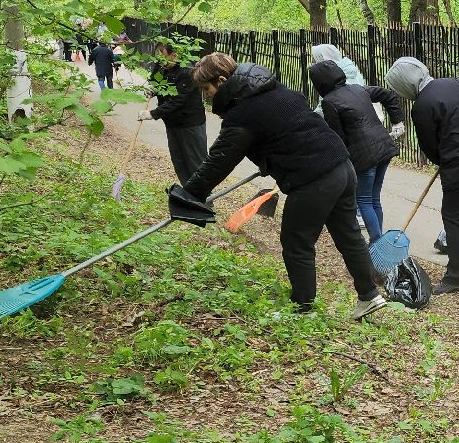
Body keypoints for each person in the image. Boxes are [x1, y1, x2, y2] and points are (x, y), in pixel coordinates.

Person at [177, 53, 384, 318]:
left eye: (207, 88)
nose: (206, 96)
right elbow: (287, 129)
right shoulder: (275, 89)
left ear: (221, 81)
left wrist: (189, 193)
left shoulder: (243, 113)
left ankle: (302, 308)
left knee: (296, 242)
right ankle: (369, 295)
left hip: (314, 178)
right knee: (349, 235)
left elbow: (220, 159)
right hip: (341, 166)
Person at [382, 57, 459, 295]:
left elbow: (429, 146)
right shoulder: (452, 84)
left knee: (454, 217)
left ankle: (456, 276)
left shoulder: (422, 106)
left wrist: (444, 158)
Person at [310, 59, 406, 244]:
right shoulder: (358, 89)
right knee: (374, 198)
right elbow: (387, 94)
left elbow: (338, 136)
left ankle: (377, 243)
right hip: (384, 148)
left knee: (364, 200)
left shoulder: (329, 102)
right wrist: (397, 121)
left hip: (364, 156)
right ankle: (379, 241)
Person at [141, 42, 209, 183]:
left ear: (174, 55)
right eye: (158, 59)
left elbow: (178, 100)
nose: (161, 63)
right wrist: (152, 89)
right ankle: (187, 192)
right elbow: (154, 81)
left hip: (190, 124)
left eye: (164, 58)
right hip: (172, 123)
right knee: (179, 161)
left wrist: (153, 113)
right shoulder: (161, 66)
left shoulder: (187, 71)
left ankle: (204, 195)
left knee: (196, 162)